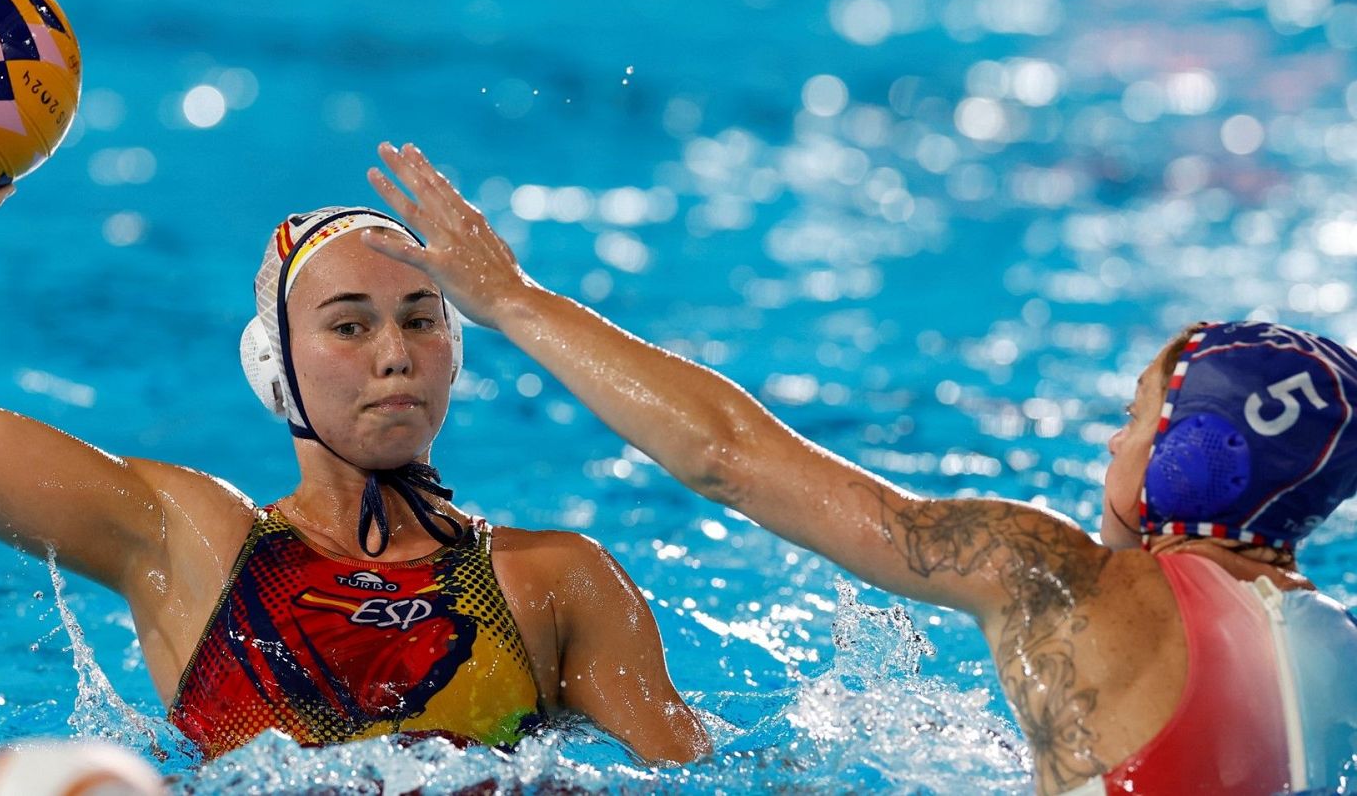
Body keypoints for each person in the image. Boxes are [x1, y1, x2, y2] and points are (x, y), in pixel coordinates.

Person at [362, 141, 1357, 795]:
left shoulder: (1060, 582)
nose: (1111, 442)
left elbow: (728, 459)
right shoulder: (1337, 652)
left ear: (1196, 456)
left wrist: (516, 301)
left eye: (1137, 416)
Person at [0, 93, 709, 765]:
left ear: (454, 353)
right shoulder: (192, 543)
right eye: (349, 325)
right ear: (274, 366)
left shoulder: (557, 583)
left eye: (421, 319)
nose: (394, 355)